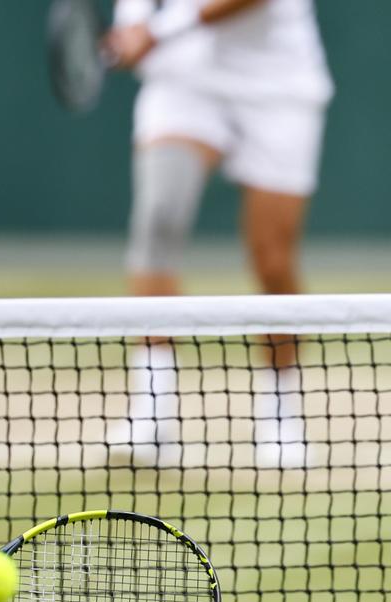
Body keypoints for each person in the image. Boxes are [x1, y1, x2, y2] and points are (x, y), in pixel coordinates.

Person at [104, 0, 332, 466]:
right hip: (184, 81)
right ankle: (152, 413)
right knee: (158, 221)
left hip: (279, 83)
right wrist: (131, 27)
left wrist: (158, 30)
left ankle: (280, 410)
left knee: (272, 259)